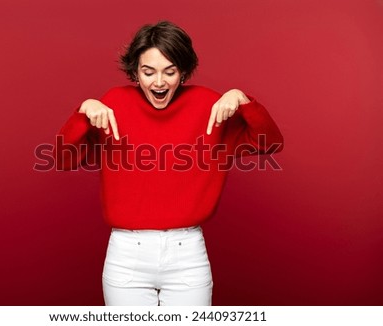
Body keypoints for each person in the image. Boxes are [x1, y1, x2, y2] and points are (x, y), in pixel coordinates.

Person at [54, 21, 284, 306]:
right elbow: (63, 159)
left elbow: (270, 142)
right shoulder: (113, 104)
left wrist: (242, 100)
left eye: (170, 71)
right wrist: (83, 111)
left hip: (187, 254)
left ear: (183, 72)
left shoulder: (209, 106)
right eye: (148, 72)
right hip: (127, 255)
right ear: (136, 73)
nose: (159, 82)